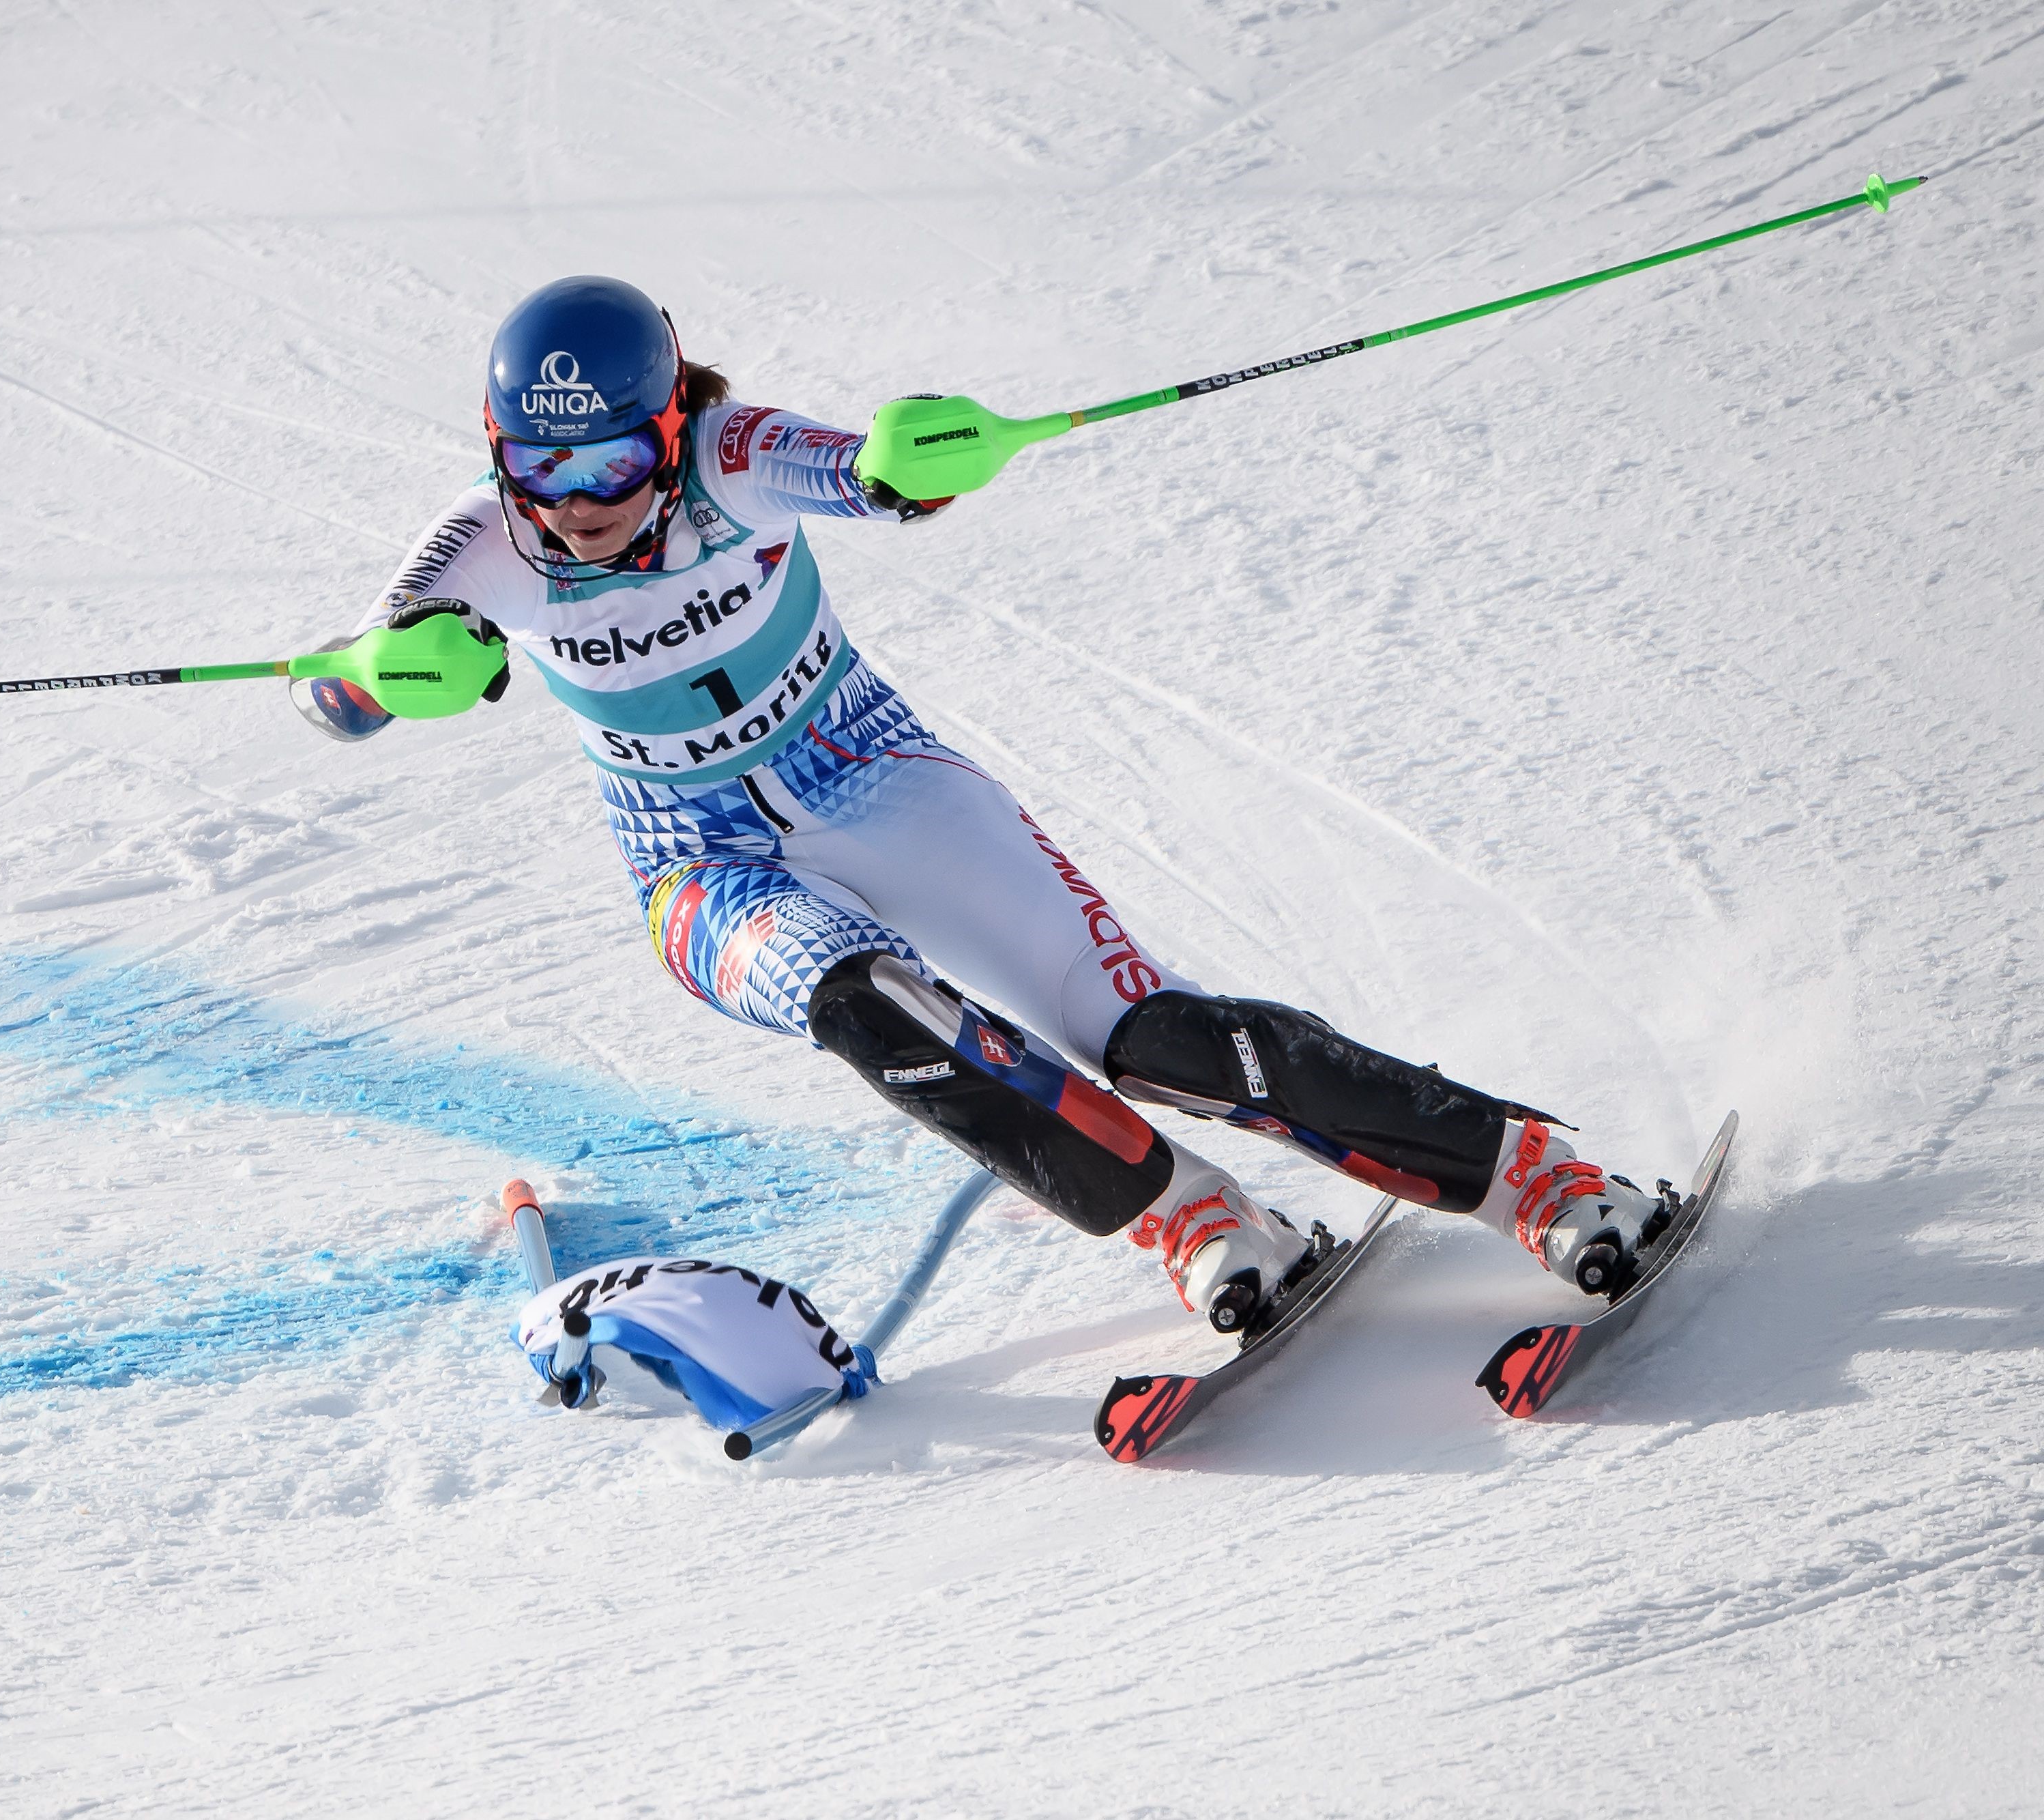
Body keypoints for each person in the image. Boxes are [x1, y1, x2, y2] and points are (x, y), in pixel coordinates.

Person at [297, 274, 1665, 1334]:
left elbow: (870, 476)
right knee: (870, 1009)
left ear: (664, 428)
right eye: (541, 470)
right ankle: (1190, 1224)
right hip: (696, 863)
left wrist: (915, 460)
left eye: (606, 464)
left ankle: (1527, 1175)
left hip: (868, 771)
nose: (577, 507)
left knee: (1143, 1032)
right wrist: (376, 671)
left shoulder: (727, 456)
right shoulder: (476, 549)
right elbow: (334, 696)